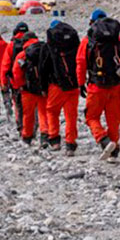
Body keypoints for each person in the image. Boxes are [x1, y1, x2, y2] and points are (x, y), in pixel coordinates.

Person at [77, 9, 120, 161]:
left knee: (91, 117)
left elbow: (80, 63)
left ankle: (104, 140)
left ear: (91, 22)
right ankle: (114, 150)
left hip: (96, 85)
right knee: (114, 119)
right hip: (115, 85)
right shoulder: (118, 39)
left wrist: (80, 83)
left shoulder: (88, 40)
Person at [44, 19, 82, 154]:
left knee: (52, 111)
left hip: (56, 85)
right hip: (73, 84)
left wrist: (43, 87)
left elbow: (45, 67)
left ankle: (54, 140)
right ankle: (70, 144)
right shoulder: (73, 43)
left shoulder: (50, 46)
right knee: (71, 115)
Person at [11, 31, 50, 147]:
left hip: (27, 90)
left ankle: (27, 137)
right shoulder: (45, 50)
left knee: (28, 115)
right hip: (43, 88)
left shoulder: (22, 54)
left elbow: (16, 72)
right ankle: (44, 135)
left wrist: (20, 86)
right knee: (44, 113)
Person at [1, 22, 31, 129]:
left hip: (15, 81)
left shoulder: (11, 45)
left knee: (18, 103)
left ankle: (20, 124)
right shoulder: (32, 43)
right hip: (32, 80)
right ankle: (32, 127)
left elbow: (5, 66)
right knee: (32, 105)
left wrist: (4, 82)